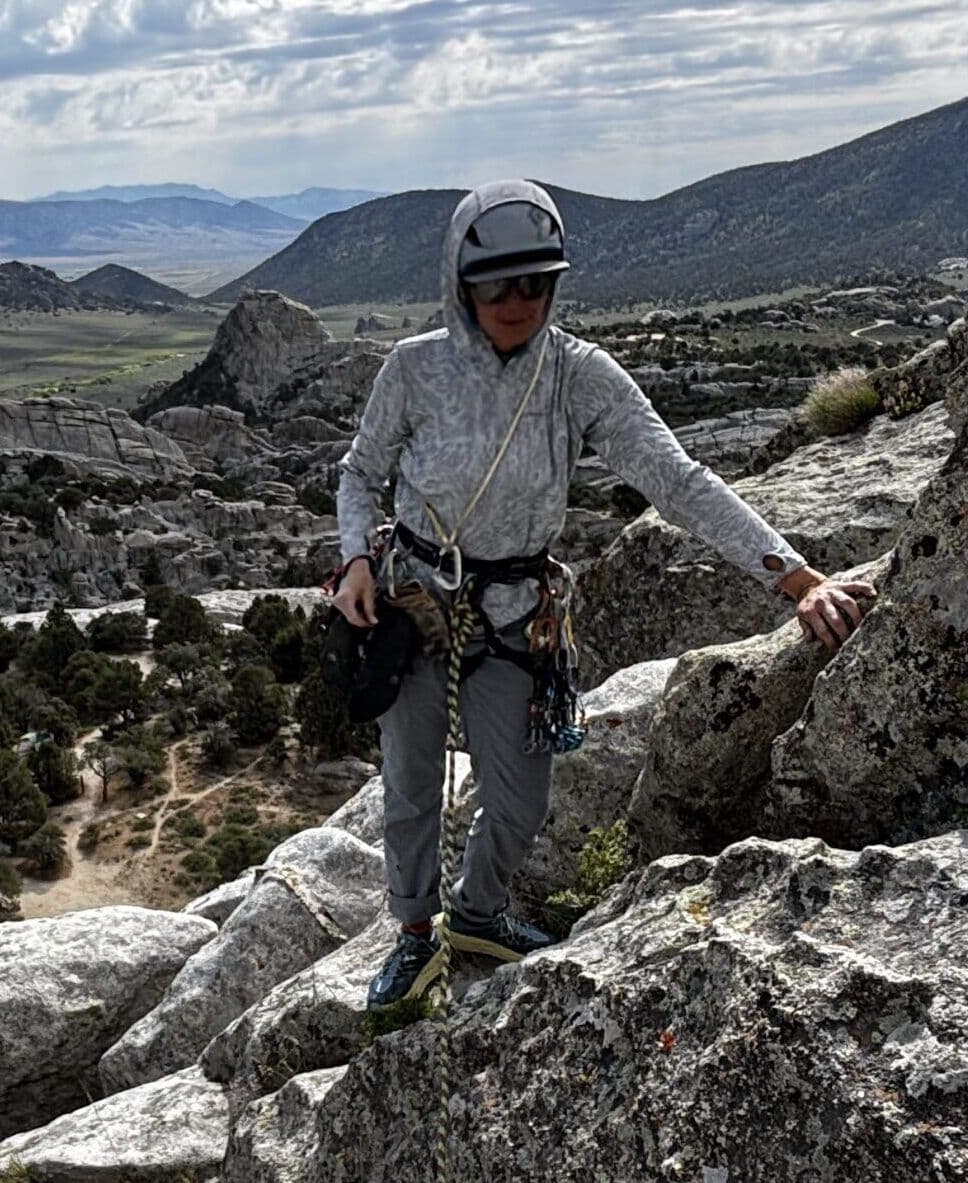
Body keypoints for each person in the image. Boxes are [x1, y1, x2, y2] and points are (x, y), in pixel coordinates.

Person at [331, 178, 877, 1013]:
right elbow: (360, 475)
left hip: (516, 615)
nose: (519, 302)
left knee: (521, 800)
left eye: (536, 283)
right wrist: (355, 560)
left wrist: (795, 576)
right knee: (411, 788)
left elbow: (677, 481)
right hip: (416, 607)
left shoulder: (578, 376)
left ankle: (477, 913)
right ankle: (414, 935)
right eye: (497, 285)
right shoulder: (413, 371)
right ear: (460, 284)